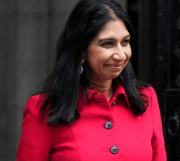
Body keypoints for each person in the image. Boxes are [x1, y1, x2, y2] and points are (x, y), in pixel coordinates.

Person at [16, 0, 167, 160]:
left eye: (125, 42)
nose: (121, 55)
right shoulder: (45, 110)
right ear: (81, 52)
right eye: (108, 44)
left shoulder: (146, 99)